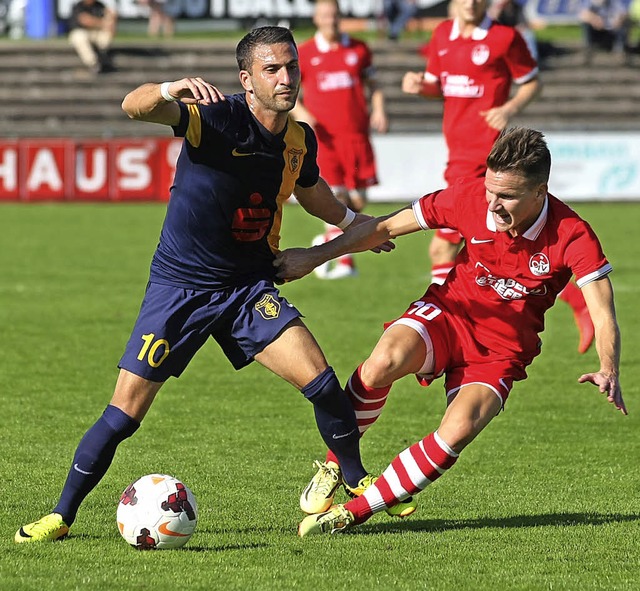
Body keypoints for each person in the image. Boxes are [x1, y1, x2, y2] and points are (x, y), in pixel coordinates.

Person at [14, 26, 386, 544]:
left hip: (248, 287)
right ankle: (61, 515)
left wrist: (350, 224)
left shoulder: (298, 137)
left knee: (322, 381)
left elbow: (310, 189)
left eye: (291, 67)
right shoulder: (215, 117)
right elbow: (133, 105)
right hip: (181, 287)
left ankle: (352, 475)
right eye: (271, 70)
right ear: (247, 79)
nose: (286, 78)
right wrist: (170, 89)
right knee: (124, 415)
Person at [273, 127, 628, 537]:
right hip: (448, 313)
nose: (493, 203)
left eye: (507, 197)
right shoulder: (470, 196)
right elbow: (387, 226)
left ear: (540, 192)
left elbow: (603, 312)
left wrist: (608, 367)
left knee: (457, 431)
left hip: (501, 351)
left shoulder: (573, 234)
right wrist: (315, 257)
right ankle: (339, 464)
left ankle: (355, 511)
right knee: (382, 362)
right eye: (491, 190)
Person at [402, 0, 594, 354]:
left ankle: (444, 323)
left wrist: (508, 109)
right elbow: (439, 86)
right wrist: (419, 86)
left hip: (489, 161)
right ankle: (575, 303)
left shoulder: (505, 37)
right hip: (457, 153)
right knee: (496, 250)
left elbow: (531, 82)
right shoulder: (442, 34)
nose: (471, 3)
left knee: (442, 245)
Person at [292, 0, 388, 280]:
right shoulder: (306, 53)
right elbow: (291, 91)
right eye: (324, 15)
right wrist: (303, 112)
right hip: (325, 140)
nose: (330, 20)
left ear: (340, 17)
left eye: (334, 15)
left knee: (358, 201)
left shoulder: (358, 49)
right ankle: (344, 263)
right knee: (338, 198)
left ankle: (325, 244)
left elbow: (375, 86)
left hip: (356, 137)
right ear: (316, 18)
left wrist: (379, 109)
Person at [68, 0, 117, 74]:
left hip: (96, 33)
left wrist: (112, 19)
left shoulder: (100, 6)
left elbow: (110, 27)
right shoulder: (78, 6)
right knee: (79, 37)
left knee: (105, 36)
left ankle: (103, 55)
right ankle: (93, 63)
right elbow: (85, 20)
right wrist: (102, 23)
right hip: (82, 32)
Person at [579, 0, 632, 65]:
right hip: (598, 32)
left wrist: (619, 20)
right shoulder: (592, 2)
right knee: (586, 23)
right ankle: (588, 50)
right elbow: (583, 15)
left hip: (613, 32)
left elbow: (625, 13)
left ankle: (619, 51)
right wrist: (594, 19)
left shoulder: (615, 2)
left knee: (626, 23)